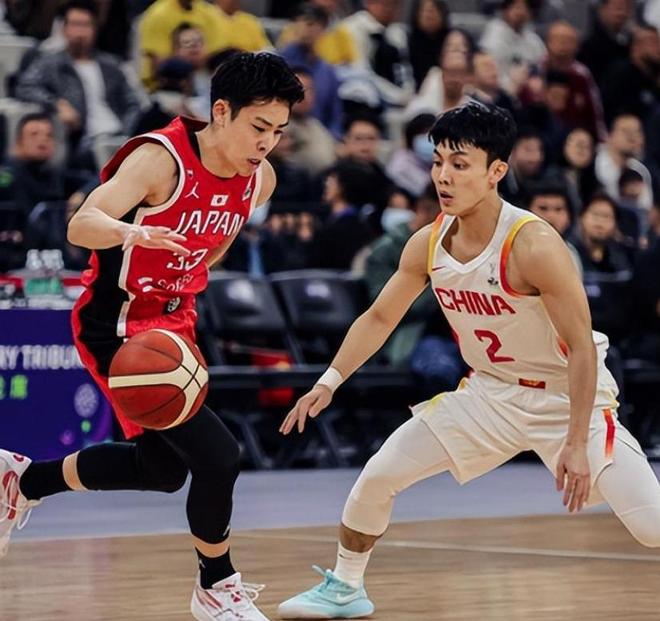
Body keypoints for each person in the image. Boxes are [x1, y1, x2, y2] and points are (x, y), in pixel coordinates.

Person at [276, 102, 660, 619]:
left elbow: (581, 349)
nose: (443, 176)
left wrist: (574, 441)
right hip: (488, 394)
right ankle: (345, 587)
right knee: (379, 474)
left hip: (567, 397)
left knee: (650, 528)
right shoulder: (428, 242)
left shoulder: (534, 245)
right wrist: (329, 380)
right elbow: (380, 317)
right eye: (438, 162)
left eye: (459, 164)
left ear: (496, 171)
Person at [0, 52, 304, 621]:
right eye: (259, 126)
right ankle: (216, 586)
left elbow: (215, 244)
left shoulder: (260, 180)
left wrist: (184, 275)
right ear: (221, 111)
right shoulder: (160, 159)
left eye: (279, 132)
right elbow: (80, 224)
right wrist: (133, 233)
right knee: (220, 456)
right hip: (116, 322)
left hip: (174, 323)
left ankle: (22, 480)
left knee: (163, 472)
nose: (267, 143)